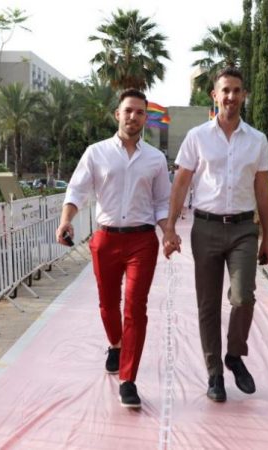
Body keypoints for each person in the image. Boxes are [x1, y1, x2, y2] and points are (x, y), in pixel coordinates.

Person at [163, 67, 268, 403]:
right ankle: (214, 375)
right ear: (215, 95)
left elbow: (263, 189)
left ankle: (234, 355)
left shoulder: (257, 140)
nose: (231, 96)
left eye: (237, 90)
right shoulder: (197, 136)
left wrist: (267, 237)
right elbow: (181, 182)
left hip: (243, 229)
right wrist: (170, 227)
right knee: (208, 304)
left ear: (244, 95)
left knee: (243, 296)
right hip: (206, 227)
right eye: (225, 90)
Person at [56, 88, 171, 409]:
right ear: (117, 115)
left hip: (142, 241)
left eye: (139, 112)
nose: (133, 116)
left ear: (145, 118)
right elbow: (77, 190)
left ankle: (128, 380)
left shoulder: (155, 159)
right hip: (105, 240)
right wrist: (66, 221)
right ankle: (116, 344)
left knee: (135, 307)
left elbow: (162, 202)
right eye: (128, 111)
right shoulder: (96, 153)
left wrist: (168, 232)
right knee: (108, 304)